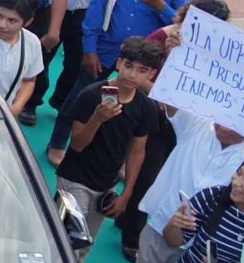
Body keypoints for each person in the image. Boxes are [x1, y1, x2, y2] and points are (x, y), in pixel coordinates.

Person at [53, 34, 165, 248]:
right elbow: (77, 144)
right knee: (65, 242)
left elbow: (137, 152)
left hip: (105, 185)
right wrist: (98, 118)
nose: (132, 75)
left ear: (151, 74)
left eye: (141, 71)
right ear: (118, 63)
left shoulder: (146, 108)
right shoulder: (90, 95)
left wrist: (127, 193)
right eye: (129, 66)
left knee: (84, 245)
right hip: (74, 179)